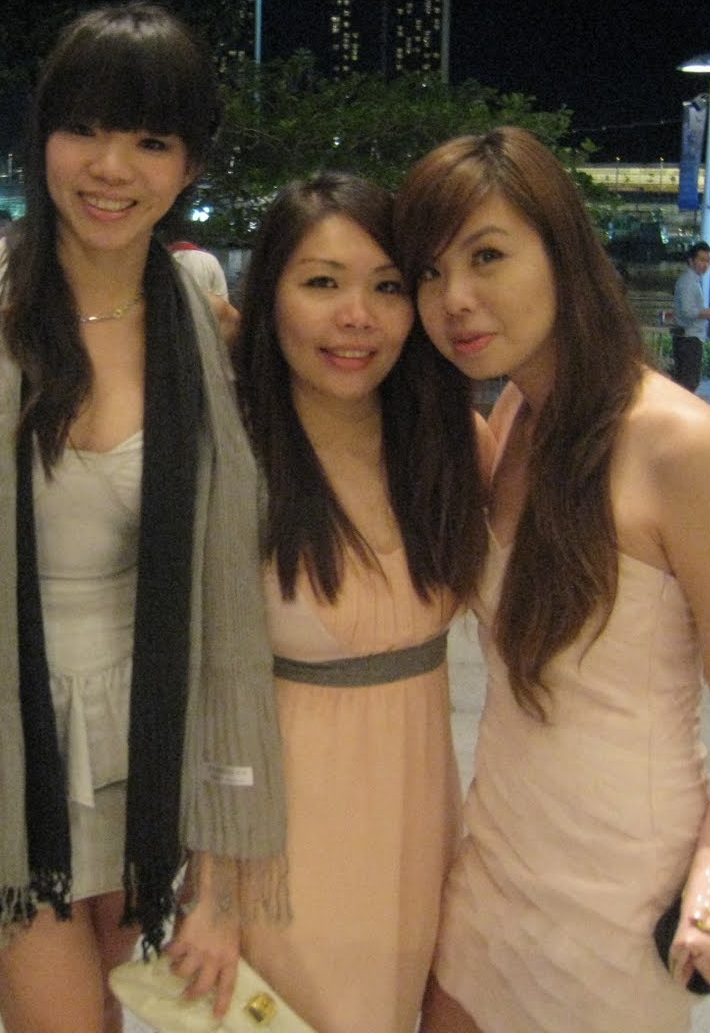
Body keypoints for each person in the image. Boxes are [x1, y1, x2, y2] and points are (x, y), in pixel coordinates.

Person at [0, 3, 287, 1033]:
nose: (111, 169)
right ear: (43, 139)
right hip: (8, 742)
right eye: (84, 130)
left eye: (150, 141)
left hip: (154, 742)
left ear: (189, 164)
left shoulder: (206, 325)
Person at [395, 127, 710, 1033]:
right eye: (430, 272)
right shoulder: (515, 415)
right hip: (497, 854)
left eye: (487, 257)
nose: (455, 298)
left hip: (619, 891)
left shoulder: (680, 447)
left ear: (561, 251)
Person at [232, 173, 484, 1031]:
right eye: (321, 283)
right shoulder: (232, 454)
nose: (357, 318)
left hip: (421, 828)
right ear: (268, 297)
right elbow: (192, 693)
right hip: (282, 847)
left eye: (387, 286)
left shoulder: (450, 441)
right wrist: (210, 890)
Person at [671, 240, 710, 391]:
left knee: (687, 382)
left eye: (708, 261)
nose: (705, 265)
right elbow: (687, 310)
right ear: (691, 261)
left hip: (689, 337)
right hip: (689, 338)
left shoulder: (693, 281)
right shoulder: (688, 282)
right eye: (702, 260)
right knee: (688, 383)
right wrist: (706, 313)